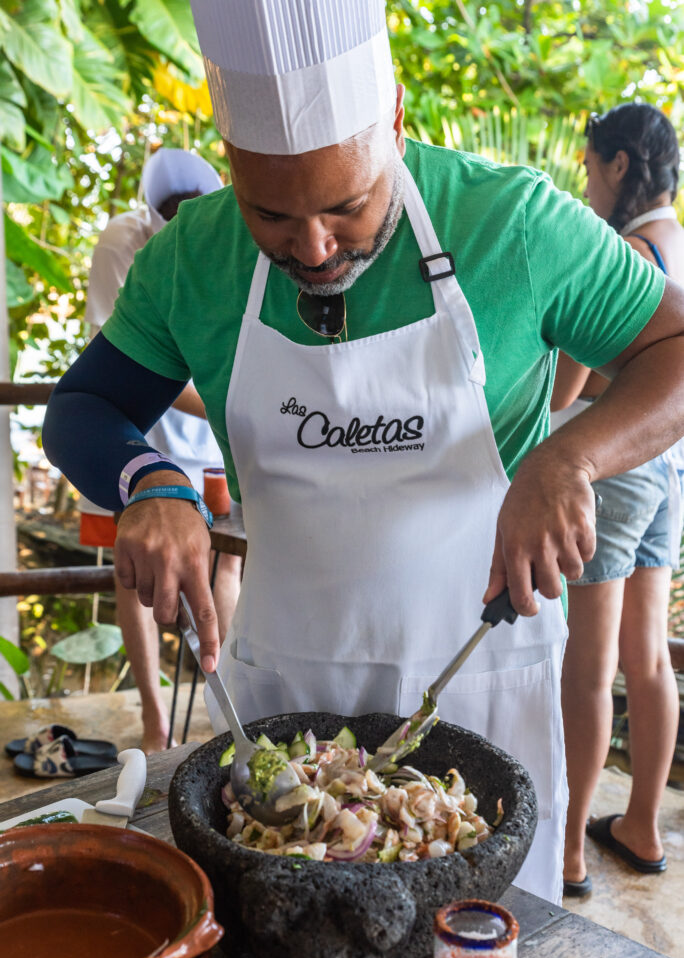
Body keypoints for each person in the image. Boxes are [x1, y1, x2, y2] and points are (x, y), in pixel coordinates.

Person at [42, 1, 684, 904]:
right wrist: (147, 478)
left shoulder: (515, 224)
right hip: (283, 702)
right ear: (229, 161)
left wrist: (569, 459)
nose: (313, 247)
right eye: (272, 213)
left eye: (347, 206)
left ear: (392, 121)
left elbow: (674, 349)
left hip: (480, 675)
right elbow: (83, 406)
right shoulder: (193, 258)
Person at [550, 103, 684, 897]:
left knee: (587, 668)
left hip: (618, 466)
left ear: (620, 166)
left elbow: (567, 383)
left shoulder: (623, 251)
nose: (588, 184)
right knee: (648, 655)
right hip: (670, 469)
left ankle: (566, 851)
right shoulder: (680, 240)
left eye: (591, 166)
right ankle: (641, 827)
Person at [81, 147, 242, 753]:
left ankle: (224, 713)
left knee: (226, 560)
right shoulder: (125, 240)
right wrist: (227, 403)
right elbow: (115, 352)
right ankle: (155, 720)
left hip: (217, 435)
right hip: (148, 438)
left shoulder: (231, 235)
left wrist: (233, 410)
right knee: (135, 572)